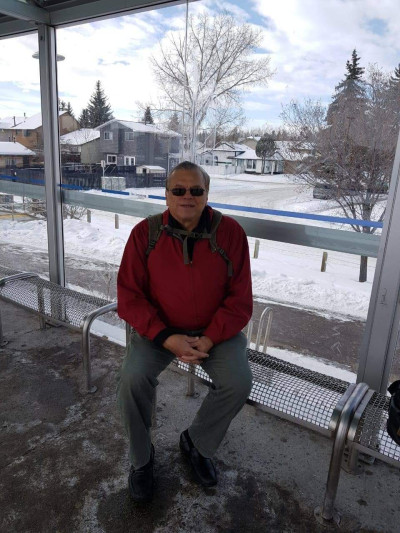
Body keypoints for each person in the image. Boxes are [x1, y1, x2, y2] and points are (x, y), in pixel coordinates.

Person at [117, 161, 253, 502]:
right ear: (166, 195)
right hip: (159, 332)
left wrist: (209, 338)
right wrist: (165, 337)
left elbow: (240, 300)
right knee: (132, 380)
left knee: (238, 382)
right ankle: (141, 459)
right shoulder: (145, 234)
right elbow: (129, 297)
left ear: (207, 194)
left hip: (214, 333)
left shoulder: (230, 234)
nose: (187, 196)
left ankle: (197, 443)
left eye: (196, 190)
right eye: (178, 190)